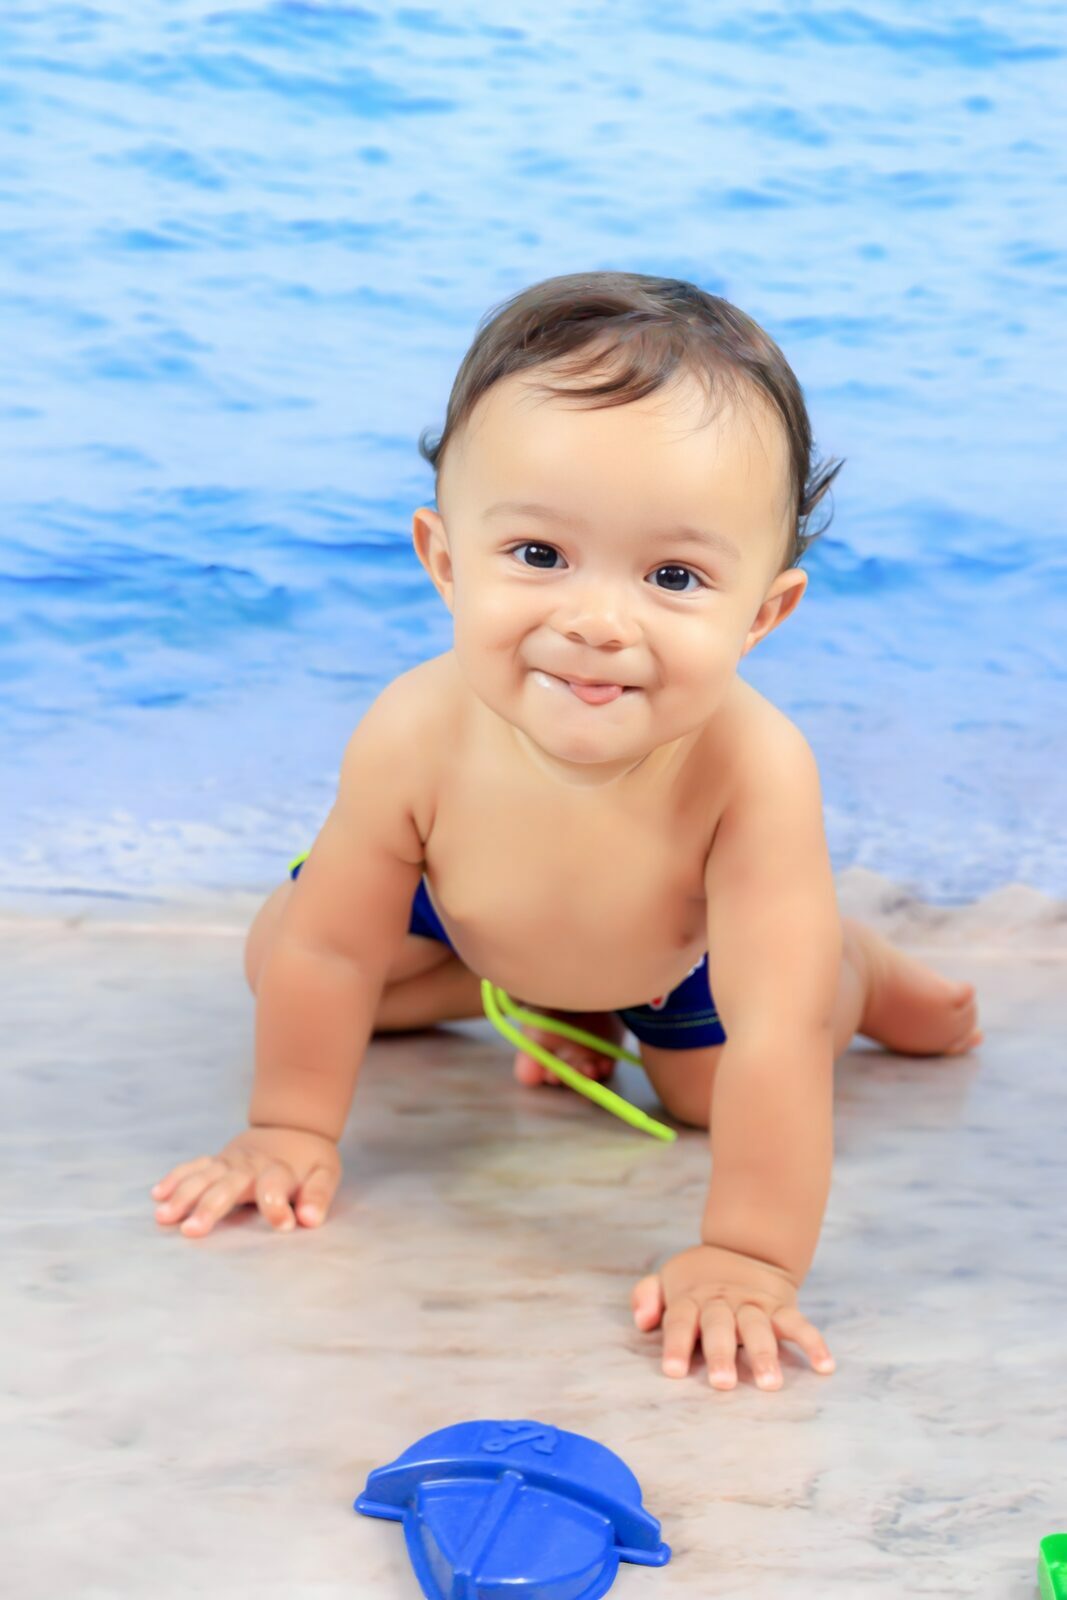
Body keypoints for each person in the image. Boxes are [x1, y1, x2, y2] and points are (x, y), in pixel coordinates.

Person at [151, 271, 982, 1392]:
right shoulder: (413, 728)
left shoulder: (754, 770)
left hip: (675, 948)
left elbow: (774, 1033)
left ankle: (857, 967)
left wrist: (748, 1254)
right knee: (285, 952)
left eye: (673, 575)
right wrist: (289, 1127)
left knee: (705, 1091)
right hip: (471, 909)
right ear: (445, 561)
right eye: (539, 555)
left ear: (761, 614)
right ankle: (545, 995)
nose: (596, 621)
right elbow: (336, 948)